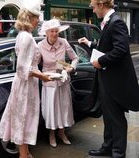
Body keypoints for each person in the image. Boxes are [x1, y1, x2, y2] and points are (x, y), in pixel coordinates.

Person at [78, 0, 139, 157]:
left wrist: (100, 61)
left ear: (101, 5)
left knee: (116, 118)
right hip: (107, 79)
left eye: (93, 6)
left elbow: (120, 49)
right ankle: (107, 146)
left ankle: (118, 152)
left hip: (115, 81)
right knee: (108, 115)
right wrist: (90, 43)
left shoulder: (116, 22)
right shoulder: (109, 22)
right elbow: (107, 45)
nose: (92, 10)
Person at [0, 2, 51, 158]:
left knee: (23, 118)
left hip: (26, 84)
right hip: (26, 85)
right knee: (23, 118)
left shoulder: (23, 35)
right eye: (37, 18)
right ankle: (23, 155)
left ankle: (25, 153)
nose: (39, 21)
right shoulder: (26, 37)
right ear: (29, 18)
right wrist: (43, 76)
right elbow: (22, 69)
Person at [38, 18, 79, 148]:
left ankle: (62, 133)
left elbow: (75, 58)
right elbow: (35, 64)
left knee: (64, 108)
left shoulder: (63, 42)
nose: (54, 34)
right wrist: (42, 75)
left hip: (63, 80)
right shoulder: (40, 46)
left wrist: (71, 68)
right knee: (51, 110)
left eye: (56, 31)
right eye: (52, 31)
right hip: (49, 82)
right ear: (46, 32)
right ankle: (51, 134)